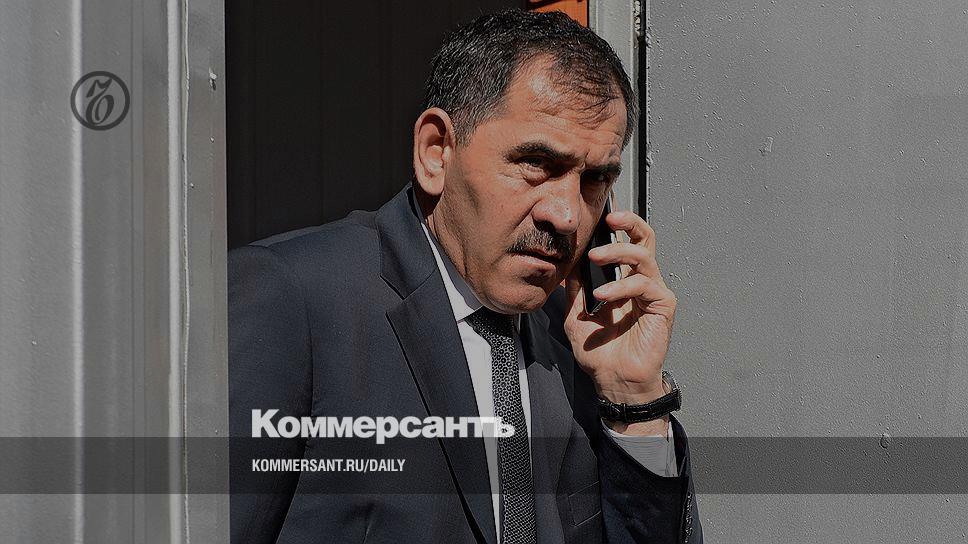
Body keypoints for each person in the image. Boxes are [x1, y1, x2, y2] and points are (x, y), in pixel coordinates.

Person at [229, 9, 702, 544]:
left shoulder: (584, 342)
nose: (567, 215)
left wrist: (634, 400)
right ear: (436, 152)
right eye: (536, 164)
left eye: (594, 179)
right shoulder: (293, 299)